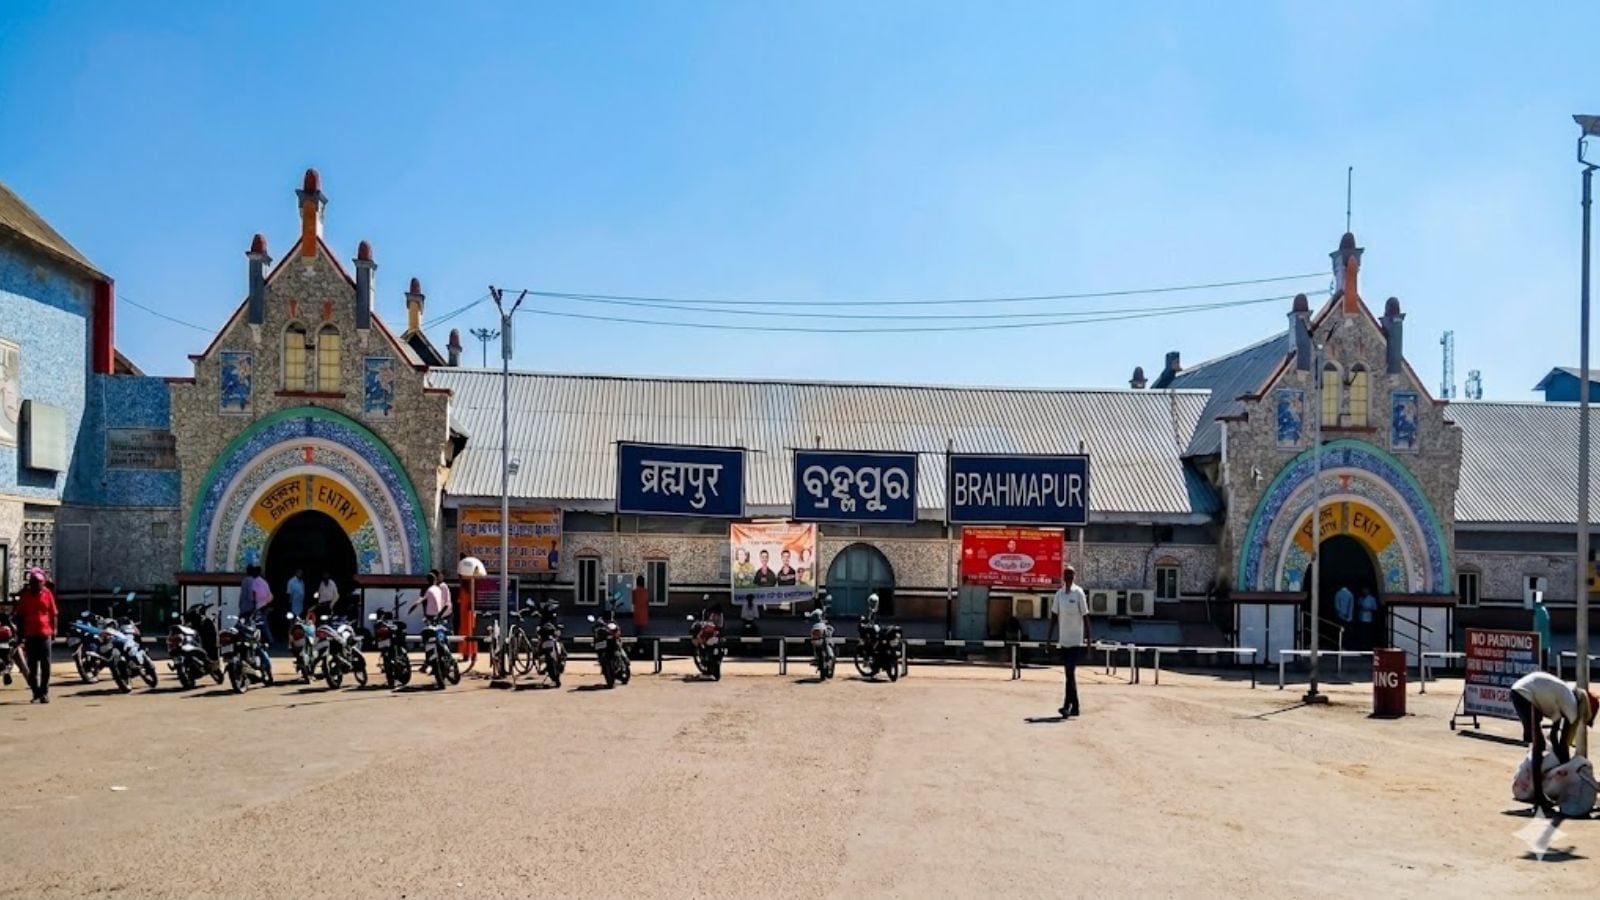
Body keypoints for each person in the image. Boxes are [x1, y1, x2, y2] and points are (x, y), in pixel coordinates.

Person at [1511, 670, 1599, 815]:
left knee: (1538, 744)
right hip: (1526, 695)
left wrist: (1559, 764)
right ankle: (1540, 799)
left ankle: (1540, 795)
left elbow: (1553, 736)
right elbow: (1563, 744)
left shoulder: (1563, 696)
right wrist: (1566, 767)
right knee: (1538, 747)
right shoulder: (1572, 707)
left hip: (1522, 692)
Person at [1049, 565, 1091, 719]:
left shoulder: (1079, 593)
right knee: (1068, 675)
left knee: (1069, 673)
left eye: (1071, 574)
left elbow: (1086, 618)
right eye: (1066, 574)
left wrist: (1088, 642)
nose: (1069, 577)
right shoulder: (1059, 595)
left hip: (1076, 641)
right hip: (1064, 641)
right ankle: (1075, 707)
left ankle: (1068, 706)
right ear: (1063, 576)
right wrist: (1048, 639)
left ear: (1074, 576)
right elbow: (1054, 617)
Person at [16, 568, 57, 703]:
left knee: (46, 666)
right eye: (34, 582)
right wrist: (20, 634)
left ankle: (44, 693)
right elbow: (20, 616)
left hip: (45, 634)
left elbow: (53, 613)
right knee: (32, 667)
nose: (37, 585)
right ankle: (35, 692)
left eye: (39, 582)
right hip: (30, 635)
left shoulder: (47, 594)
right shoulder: (25, 596)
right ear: (30, 583)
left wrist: (54, 629)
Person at [1532, 593, 1554, 670]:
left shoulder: (1537, 611)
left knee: (1540, 664)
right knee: (1544, 663)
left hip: (1539, 642)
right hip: (1545, 642)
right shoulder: (1545, 610)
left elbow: (1536, 627)